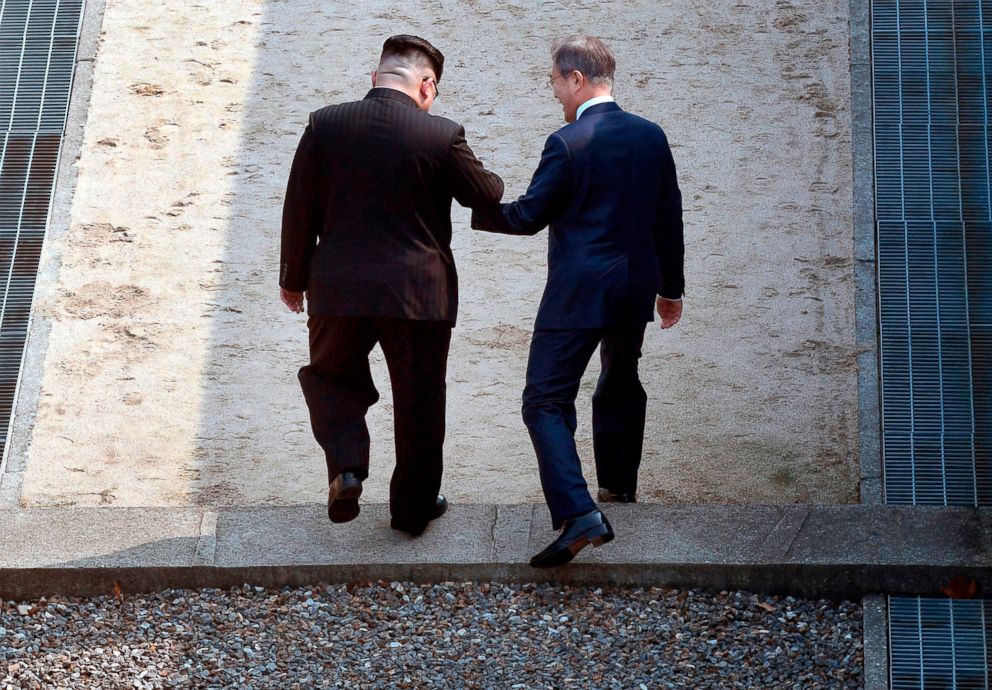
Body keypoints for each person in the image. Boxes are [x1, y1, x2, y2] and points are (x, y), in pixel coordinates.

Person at [472, 36, 685, 567]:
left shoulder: (567, 141)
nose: (554, 92)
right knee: (620, 375)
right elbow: (669, 216)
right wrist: (670, 289)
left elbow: (528, 216)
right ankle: (617, 484)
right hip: (634, 286)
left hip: (577, 292)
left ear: (576, 79)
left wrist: (477, 204)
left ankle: (579, 511)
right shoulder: (651, 136)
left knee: (544, 400)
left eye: (554, 81)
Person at [280, 35, 503, 536]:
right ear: (426, 85)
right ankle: (411, 509)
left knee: (331, 379)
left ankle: (346, 467)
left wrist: (293, 281)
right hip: (418, 294)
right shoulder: (440, 135)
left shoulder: (325, 123)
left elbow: (299, 209)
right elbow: (484, 193)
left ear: (375, 77)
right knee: (420, 402)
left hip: (337, 289)